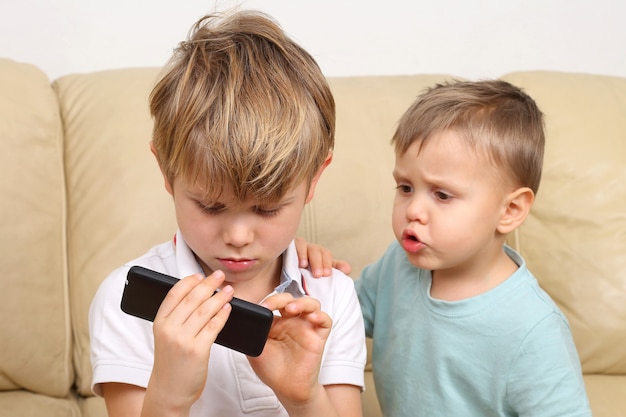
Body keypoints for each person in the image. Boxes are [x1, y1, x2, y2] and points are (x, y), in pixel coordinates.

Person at [89, 10, 366, 417]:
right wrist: (169, 396)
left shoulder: (330, 295)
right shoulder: (124, 301)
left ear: (314, 180)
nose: (238, 236)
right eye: (211, 206)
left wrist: (303, 398)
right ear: (166, 171)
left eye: (268, 209)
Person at [297, 80, 592, 416]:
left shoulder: (535, 329)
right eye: (406, 187)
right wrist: (306, 270)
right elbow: (335, 317)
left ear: (510, 211)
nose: (413, 210)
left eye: (441, 195)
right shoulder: (398, 265)